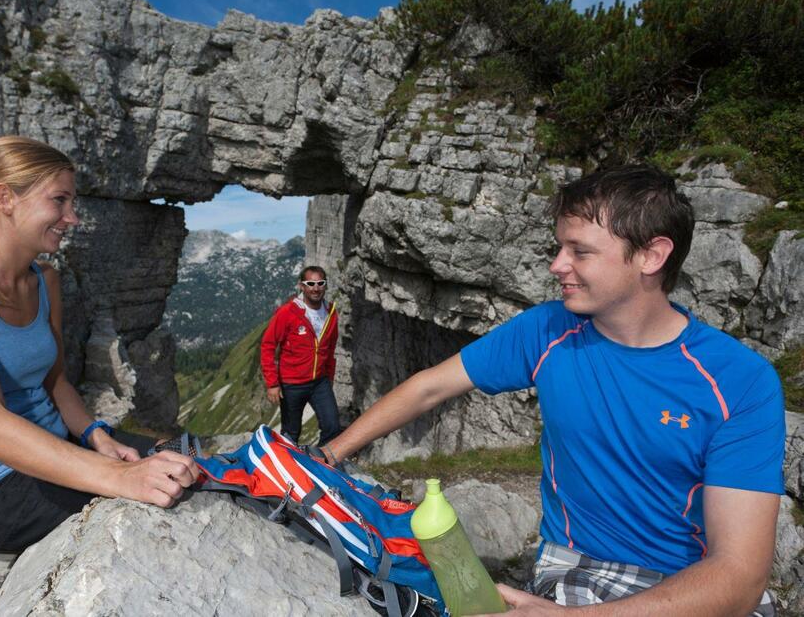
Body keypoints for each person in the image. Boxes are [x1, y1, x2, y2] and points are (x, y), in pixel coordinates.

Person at [323, 165, 785, 615]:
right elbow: (429, 387)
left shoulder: (740, 382)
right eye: (559, 246)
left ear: (651, 255)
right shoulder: (548, 330)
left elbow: (739, 575)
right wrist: (331, 453)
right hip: (581, 563)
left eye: (579, 251)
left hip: (692, 578)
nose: (556, 265)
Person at [0, 136, 199, 554]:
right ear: (5, 197)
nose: (72, 218)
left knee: (189, 464)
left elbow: (54, 381)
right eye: (59, 200)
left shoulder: (44, 281)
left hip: (54, 449)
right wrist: (117, 478)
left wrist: (95, 434)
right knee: (173, 501)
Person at [260, 265, 342, 446]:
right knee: (290, 433)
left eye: (320, 283)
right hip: (292, 384)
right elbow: (268, 345)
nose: (316, 288)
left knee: (332, 425)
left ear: (326, 285)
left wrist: (329, 377)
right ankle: (288, 468)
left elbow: (330, 348)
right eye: (310, 283)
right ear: (301, 286)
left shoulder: (331, 312)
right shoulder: (288, 312)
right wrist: (272, 383)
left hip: (320, 382)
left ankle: (321, 463)